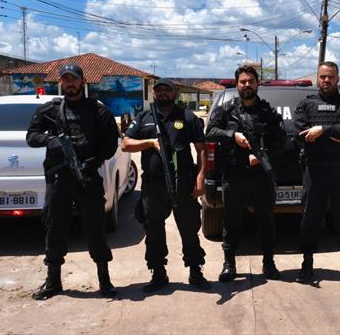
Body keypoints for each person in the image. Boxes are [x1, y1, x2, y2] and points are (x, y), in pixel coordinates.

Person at [26, 63, 119, 300]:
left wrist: (92, 161)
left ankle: (104, 280)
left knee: (95, 228)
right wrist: (50, 140)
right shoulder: (50, 109)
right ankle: (53, 280)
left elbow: (110, 145)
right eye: (65, 80)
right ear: (60, 83)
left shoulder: (98, 111)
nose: (69, 83)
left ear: (82, 81)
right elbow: (31, 137)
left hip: (87, 177)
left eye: (73, 79)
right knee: (55, 227)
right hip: (59, 179)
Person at [121, 78, 210, 292]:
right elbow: (126, 144)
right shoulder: (144, 117)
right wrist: (150, 143)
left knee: (189, 229)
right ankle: (158, 273)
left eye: (166, 91)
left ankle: (195, 271)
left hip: (183, 184)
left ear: (175, 93)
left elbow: (202, 149)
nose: (162, 94)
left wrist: (200, 178)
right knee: (154, 231)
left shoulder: (187, 117)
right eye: (158, 90)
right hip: (153, 186)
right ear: (154, 94)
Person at [206, 66, 286, 282]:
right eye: (243, 81)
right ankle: (229, 264)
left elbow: (282, 142)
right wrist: (233, 135)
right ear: (237, 84)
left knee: (266, 221)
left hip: (261, 176)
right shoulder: (227, 110)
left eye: (251, 81)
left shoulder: (268, 112)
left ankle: (268, 263)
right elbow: (210, 132)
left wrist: (262, 156)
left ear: (257, 84)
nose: (247, 85)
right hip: (235, 175)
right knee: (231, 221)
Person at [294, 61, 340, 284]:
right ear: (317, 78)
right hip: (314, 169)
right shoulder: (306, 104)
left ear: (337, 78)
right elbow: (301, 131)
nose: (326, 80)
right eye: (323, 76)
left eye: (330, 76)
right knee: (310, 218)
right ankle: (306, 265)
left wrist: (322, 130)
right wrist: (334, 135)